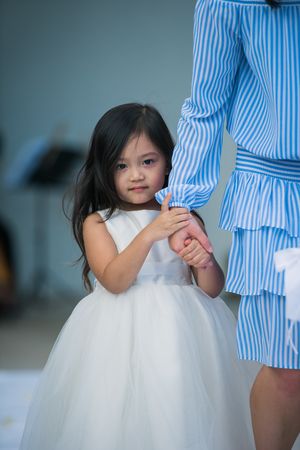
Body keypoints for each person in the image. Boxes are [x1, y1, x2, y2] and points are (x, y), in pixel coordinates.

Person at [20, 103, 258, 450]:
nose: (136, 175)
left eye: (148, 161)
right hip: (118, 328)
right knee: (119, 403)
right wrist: (149, 234)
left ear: (168, 161)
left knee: (179, 398)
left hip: (183, 329)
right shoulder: (98, 221)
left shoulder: (180, 214)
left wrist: (203, 261)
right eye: (121, 165)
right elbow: (115, 280)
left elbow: (211, 289)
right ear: (104, 169)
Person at [155, 0, 300, 449]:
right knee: (289, 366)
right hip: (276, 195)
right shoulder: (230, 3)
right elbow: (205, 106)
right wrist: (182, 208)